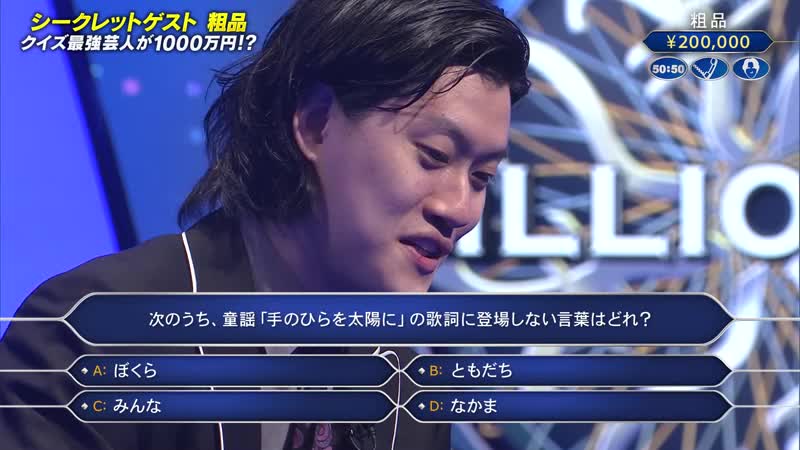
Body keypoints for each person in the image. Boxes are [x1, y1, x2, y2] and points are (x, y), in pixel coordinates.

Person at [0, 0, 530, 448]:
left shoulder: (408, 399)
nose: (459, 209)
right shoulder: (95, 335)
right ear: (316, 124)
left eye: (481, 177)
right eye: (434, 155)